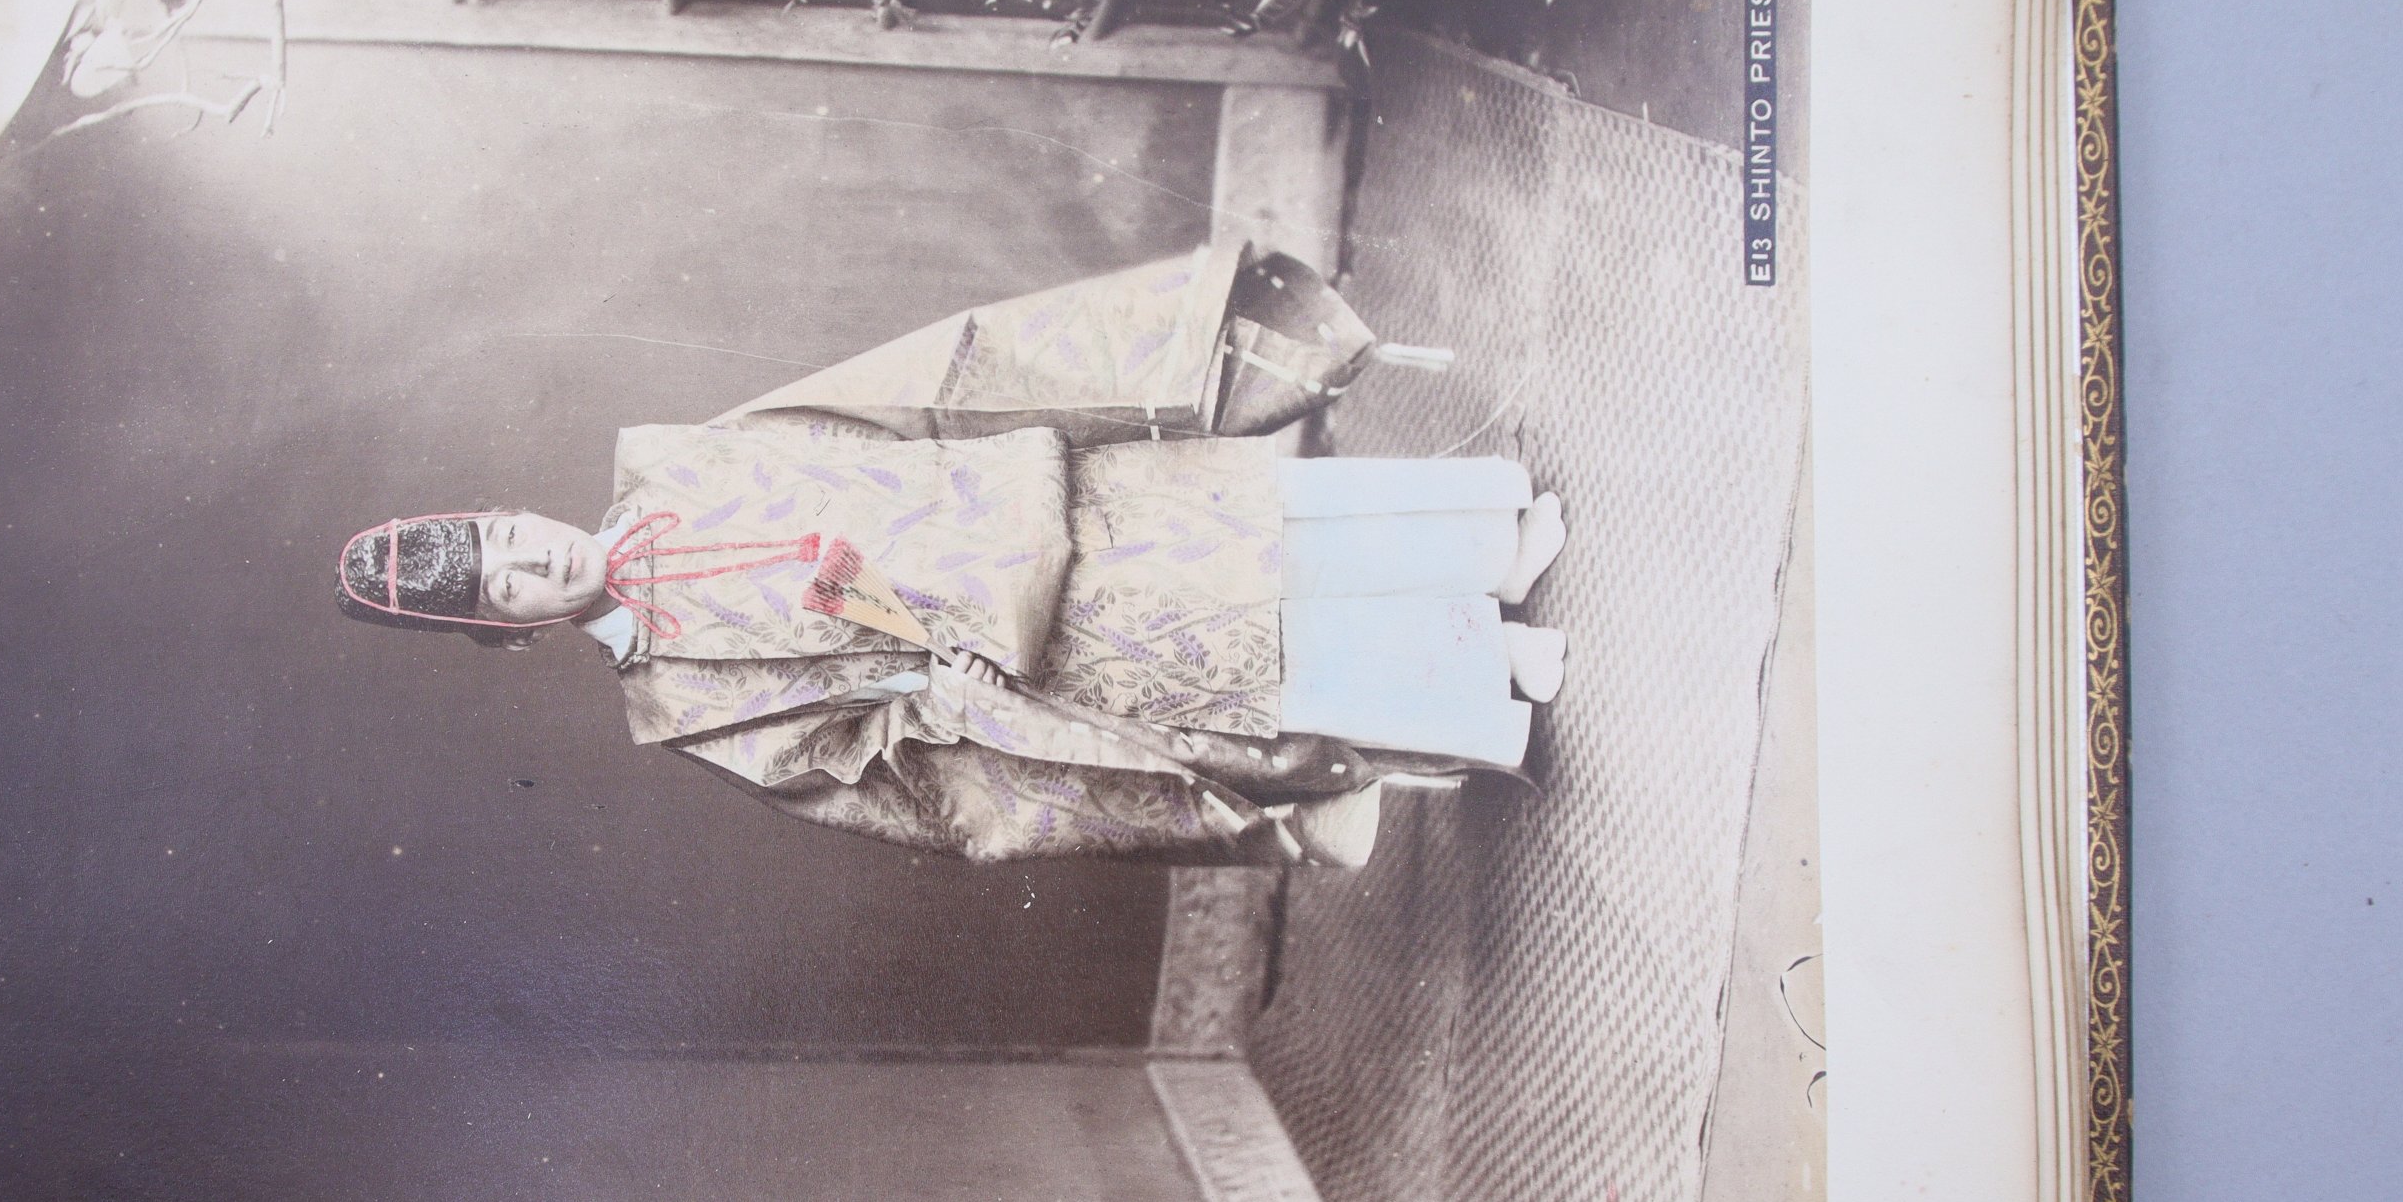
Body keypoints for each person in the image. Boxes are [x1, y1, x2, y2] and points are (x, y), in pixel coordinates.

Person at [337, 243, 1564, 868]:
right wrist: (934, 690)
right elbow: (857, 771)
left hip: (1031, 504)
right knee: (1253, 662)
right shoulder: (677, 700)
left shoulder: (674, 465)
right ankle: (1492, 670)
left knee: (1254, 524)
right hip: (1023, 658)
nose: (533, 560)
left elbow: (869, 411)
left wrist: (978, 458)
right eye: (506, 585)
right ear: (508, 631)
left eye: (508, 534)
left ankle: (1493, 544)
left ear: (515, 508)